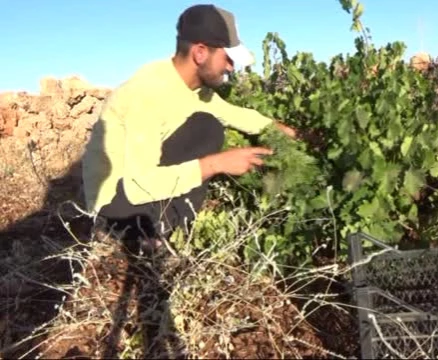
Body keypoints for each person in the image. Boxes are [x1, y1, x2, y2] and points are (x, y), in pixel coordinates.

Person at [81, 4, 296, 253]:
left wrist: (281, 129)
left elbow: (233, 113)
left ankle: (164, 229)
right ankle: (127, 236)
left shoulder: (194, 89)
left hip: (140, 187)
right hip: (117, 205)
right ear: (201, 53)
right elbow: (138, 184)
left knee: (206, 124)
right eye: (227, 58)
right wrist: (216, 164)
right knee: (208, 129)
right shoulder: (147, 94)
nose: (231, 68)